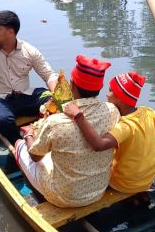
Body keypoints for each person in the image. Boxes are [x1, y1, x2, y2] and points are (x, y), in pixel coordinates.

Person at [15, 55, 119, 208]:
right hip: (98, 191)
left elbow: (35, 156)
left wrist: (29, 134)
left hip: (63, 197)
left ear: (72, 85)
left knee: (20, 145)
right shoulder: (112, 111)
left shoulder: (55, 123)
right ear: (100, 88)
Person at [64, 71, 155, 194]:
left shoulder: (125, 125)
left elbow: (99, 145)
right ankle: (140, 198)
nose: (107, 95)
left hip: (123, 184)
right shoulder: (149, 113)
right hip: (148, 179)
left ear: (120, 98)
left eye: (110, 91)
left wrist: (79, 116)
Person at [0, 10, 57, 144]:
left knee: (53, 102)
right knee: (1, 119)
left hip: (26, 96)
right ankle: (19, 143)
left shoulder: (29, 50)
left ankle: (43, 135)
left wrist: (57, 97)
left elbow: (49, 75)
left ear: (11, 32)